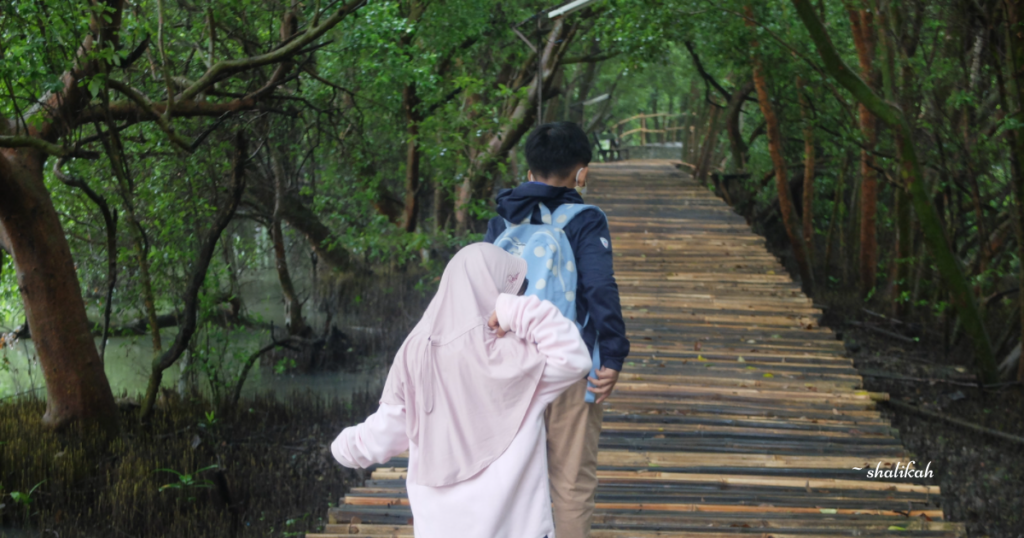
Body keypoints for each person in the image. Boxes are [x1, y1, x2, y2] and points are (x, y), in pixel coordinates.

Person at [330, 243, 592, 538]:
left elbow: (382, 436)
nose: (518, 295)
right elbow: (576, 357)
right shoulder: (519, 359)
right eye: (515, 291)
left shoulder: (415, 354)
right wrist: (515, 310)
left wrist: (342, 447)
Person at [484, 121, 630, 538]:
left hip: (508, 368)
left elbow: (482, 293)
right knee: (570, 481)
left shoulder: (501, 222)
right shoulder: (586, 220)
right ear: (582, 173)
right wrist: (614, 355)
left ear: (529, 171)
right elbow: (600, 288)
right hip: (569, 365)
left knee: (507, 480)